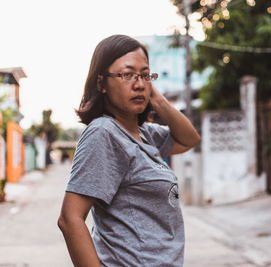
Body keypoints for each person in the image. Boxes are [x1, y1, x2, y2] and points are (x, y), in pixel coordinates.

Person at [58, 34, 200, 267]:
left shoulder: (145, 134)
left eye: (145, 75)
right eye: (127, 75)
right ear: (101, 83)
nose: (139, 84)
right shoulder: (104, 133)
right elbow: (70, 219)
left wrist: (158, 100)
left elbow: (189, 139)